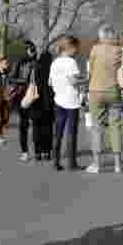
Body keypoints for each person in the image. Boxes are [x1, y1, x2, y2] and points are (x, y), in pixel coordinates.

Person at [86, 24, 123, 174]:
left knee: (97, 127)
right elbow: (121, 68)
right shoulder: (119, 51)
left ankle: (96, 165)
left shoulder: (95, 49)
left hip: (95, 90)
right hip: (113, 90)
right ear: (112, 36)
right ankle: (117, 165)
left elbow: (91, 70)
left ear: (101, 36)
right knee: (115, 126)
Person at [49, 36, 83, 171]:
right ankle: (72, 163)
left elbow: (50, 83)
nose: (77, 51)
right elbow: (73, 81)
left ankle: (56, 161)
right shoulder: (71, 62)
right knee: (71, 133)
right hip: (71, 102)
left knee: (58, 133)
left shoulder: (54, 62)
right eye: (77, 48)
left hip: (58, 100)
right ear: (70, 47)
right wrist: (87, 80)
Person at [28, 44, 55, 161]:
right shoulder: (52, 70)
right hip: (48, 103)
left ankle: (38, 152)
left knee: (37, 127)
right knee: (48, 128)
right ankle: (47, 152)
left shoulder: (35, 68)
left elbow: (30, 83)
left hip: (36, 101)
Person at [11, 43, 37, 160]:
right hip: (23, 95)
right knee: (24, 125)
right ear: (25, 50)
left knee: (37, 123)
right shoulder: (19, 62)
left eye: (33, 49)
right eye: (30, 49)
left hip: (36, 95)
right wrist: (24, 81)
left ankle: (39, 150)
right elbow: (11, 78)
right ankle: (24, 152)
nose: (32, 51)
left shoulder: (38, 62)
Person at [0, 55, 12, 145]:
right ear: (0, 64)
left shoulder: (9, 74)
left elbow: (11, 85)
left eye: (7, 63)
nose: (7, 65)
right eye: (5, 63)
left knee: (5, 118)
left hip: (6, 99)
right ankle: (0, 137)